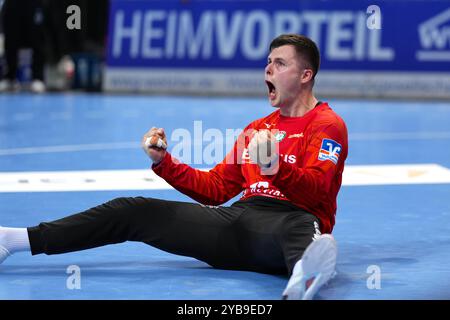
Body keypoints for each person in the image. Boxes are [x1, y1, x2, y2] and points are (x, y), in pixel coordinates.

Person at [0, 34, 348, 300]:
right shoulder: (257, 128)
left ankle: (307, 274)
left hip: (292, 218)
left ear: (306, 75)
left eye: (280, 63)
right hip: (238, 223)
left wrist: (275, 170)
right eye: (267, 62)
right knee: (132, 210)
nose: (268, 69)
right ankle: (14, 239)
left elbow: (316, 191)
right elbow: (216, 189)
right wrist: (165, 162)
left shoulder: (327, 124)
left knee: (302, 229)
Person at [0, 0, 46, 93]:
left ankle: (38, 78)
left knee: (37, 41)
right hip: (12, 5)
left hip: (34, 5)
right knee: (10, 41)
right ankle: (10, 78)